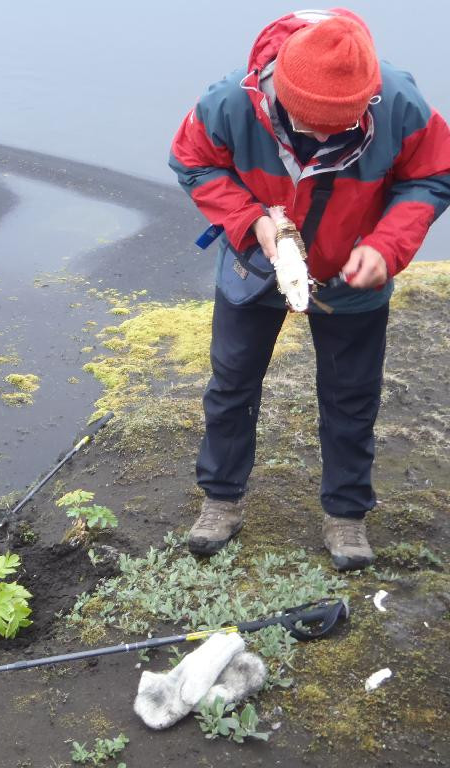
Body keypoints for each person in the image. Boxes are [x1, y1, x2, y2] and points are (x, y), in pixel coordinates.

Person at [169, 8, 450, 570]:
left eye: (339, 125)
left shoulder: (398, 103)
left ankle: (345, 515)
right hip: (255, 265)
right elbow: (191, 160)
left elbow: (433, 175)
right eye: (309, 121)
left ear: (365, 101)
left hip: (353, 275)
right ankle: (221, 500)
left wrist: (387, 247)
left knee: (352, 396)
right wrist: (250, 219)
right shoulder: (230, 101)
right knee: (231, 384)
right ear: (280, 90)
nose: (322, 135)